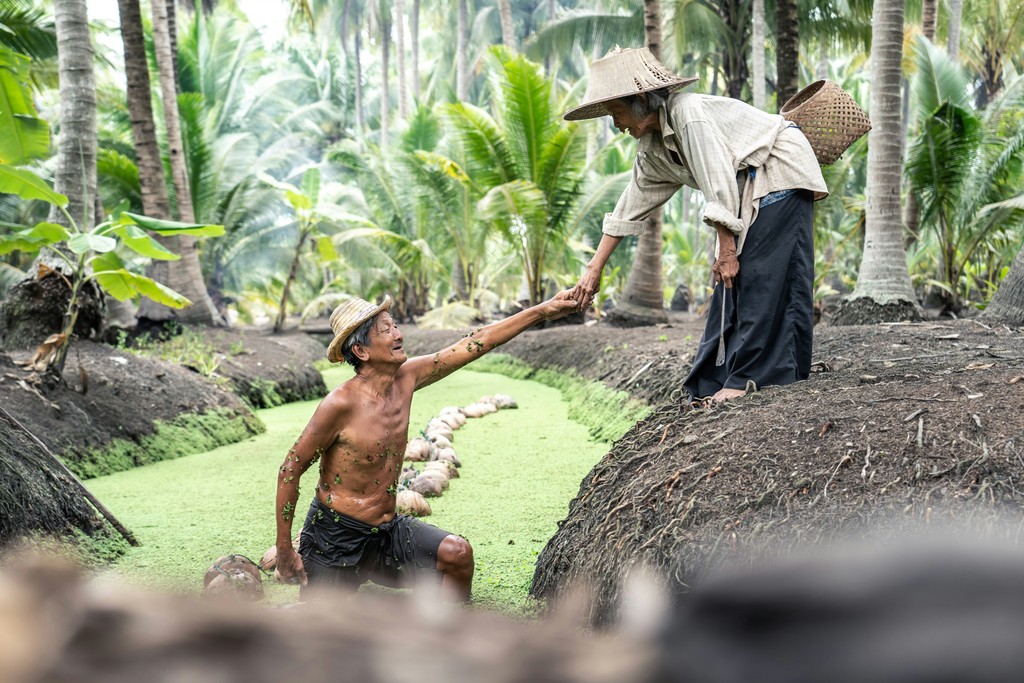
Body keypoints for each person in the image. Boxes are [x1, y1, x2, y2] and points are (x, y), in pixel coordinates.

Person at [274, 291, 579, 601]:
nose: (398, 334)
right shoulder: (339, 404)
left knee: (458, 554)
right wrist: (284, 549)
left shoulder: (407, 378)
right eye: (386, 329)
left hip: (386, 533)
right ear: (361, 351)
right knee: (322, 633)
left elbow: (477, 341)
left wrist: (542, 310)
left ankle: (448, 634)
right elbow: (290, 469)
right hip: (334, 540)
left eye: (394, 325)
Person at [564, 47, 828, 403]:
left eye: (617, 112)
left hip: (779, 168)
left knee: (762, 277)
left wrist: (728, 249)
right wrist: (593, 271)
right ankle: (714, 379)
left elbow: (716, 177)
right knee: (730, 284)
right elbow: (631, 204)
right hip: (746, 187)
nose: (617, 124)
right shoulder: (652, 146)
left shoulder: (687, 114)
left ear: (641, 98)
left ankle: (753, 377)